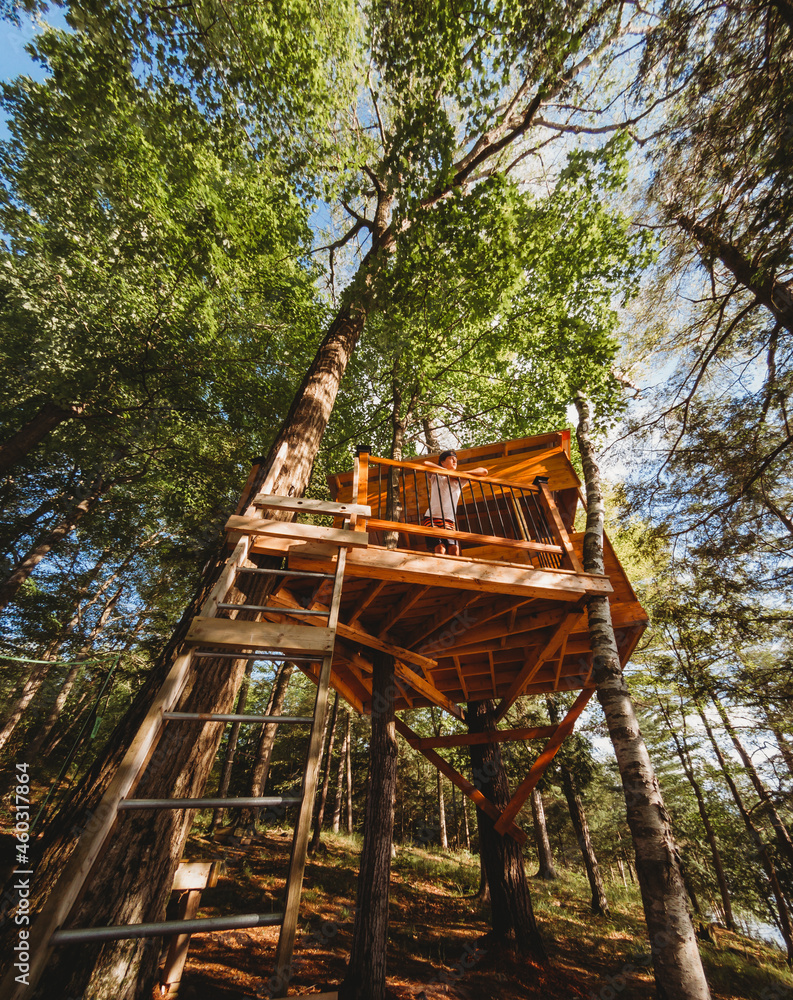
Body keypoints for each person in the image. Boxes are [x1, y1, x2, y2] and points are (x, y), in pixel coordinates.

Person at [422, 450, 488, 555]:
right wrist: (447, 472)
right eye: (451, 459)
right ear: (442, 462)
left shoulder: (460, 479)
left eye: (456, 460)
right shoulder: (436, 476)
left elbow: (484, 471)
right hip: (432, 517)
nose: (454, 462)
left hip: (449, 520)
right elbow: (426, 463)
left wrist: (460, 474)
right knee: (440, 549)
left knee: (454, 550)